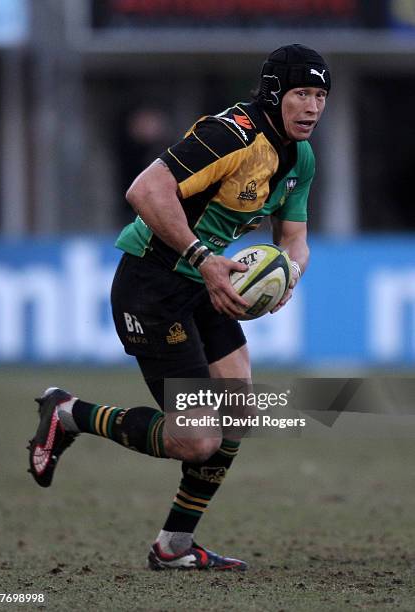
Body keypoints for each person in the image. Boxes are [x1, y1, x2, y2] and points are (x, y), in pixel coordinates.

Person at [28, 44, 330, 571]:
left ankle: (174, 547)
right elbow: (144, 189)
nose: (312, 107)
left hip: (209, 285)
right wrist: (203, 258)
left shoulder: (299, 157)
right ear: (276, 92)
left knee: (237, 411)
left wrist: (290, 277)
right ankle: (69, 414)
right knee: (196, 439)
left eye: (321, 96)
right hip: (154, 284)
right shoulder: (230, 133)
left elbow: (296, 239)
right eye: (302, 93)